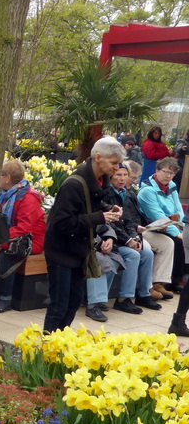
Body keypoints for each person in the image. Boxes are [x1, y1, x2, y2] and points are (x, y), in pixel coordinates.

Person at [42, 137, 124, 333]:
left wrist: (107, 209)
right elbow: (61, 224)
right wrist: (99, 217)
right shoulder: (74, 184)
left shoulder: (97, 180)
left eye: (118, 163)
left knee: (72, 303)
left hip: (78, 251)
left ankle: (60, 345)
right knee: (59, 305)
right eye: (113, 163)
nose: (117, 167)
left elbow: (87, 207)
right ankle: (47, 350)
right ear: (98, 158)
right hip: (61, 251)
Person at [0, 159, 46, 313]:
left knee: (7, 251)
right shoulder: (6, 194)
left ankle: (6, 298)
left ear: (7, 177)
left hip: (29, 240)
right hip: (13, 236)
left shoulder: (28, 198)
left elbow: (24, 228)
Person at [106, 164, 161, 312]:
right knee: (133, 255)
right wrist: (128, 241)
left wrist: (134, 238)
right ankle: (124, 298)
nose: (122, 178)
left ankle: (143, 294)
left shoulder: (125, 194)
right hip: (111, 239)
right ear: (111, 176)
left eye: (125, 175)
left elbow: (129, 222)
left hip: (124, 238)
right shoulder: (106, 194)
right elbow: (111, 225)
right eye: (118, 175)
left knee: (147, 253)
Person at [137, 156, 185, 293]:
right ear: (157, 170)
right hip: (152, 227)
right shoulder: (146, 191)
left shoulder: (172, 186)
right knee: (177, 241)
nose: (168, 176)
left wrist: (182, 226)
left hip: (171, 224)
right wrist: (178, 233)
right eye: (165, 171)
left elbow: (178, 208)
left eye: (172, 173)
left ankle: (177, 279)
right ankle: (175, 281)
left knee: (183, 238)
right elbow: (156, 216)